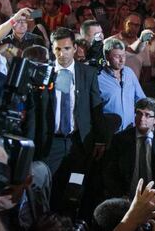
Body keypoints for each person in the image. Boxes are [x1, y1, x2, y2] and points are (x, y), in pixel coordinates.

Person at [37, 27, 105, 210]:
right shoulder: (44, 73)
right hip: (51, 144)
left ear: (75, 48)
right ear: (52, 49)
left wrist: (100, 139)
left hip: (79, 144)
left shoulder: (88, 73)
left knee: (75, 189)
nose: (62, 53)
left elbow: (95, 108)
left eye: (66, 48)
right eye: (58, 49)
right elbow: (36, 113)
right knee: (48, 190)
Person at [104, 98, 155, 198]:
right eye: (139, 113)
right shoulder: (120, 140)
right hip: (126, 198)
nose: (141, 118)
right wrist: (120, 196)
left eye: (147, 115)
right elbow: (110, 173)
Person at [98, 38, 146, 131]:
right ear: (107, 56)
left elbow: (141, 99)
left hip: (130, 131)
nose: (122, 60)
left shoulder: (129, 73)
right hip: (108, 133)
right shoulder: (97, 77)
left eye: (123, 55)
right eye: (117, 56)